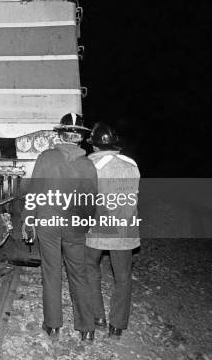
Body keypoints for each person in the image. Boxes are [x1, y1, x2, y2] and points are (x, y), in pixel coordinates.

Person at [22, 113, 97, 342]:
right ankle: (86, 328)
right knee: (79, 273)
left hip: (48, 224)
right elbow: (91, 200)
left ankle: (53, 325)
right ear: (80, 138)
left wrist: (28, 221)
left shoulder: (46, 158)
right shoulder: (87, 165)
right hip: (75, 226)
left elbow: (34, 193)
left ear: (61, 134)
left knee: (51, 272)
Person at [84, 122, 140, 339]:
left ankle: (97, 316)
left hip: (97, 230)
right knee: (124, 277)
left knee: (90, 268)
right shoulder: (132, 164)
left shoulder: (90, 165)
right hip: (125, 231)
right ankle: (117, 326)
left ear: (95, 146)